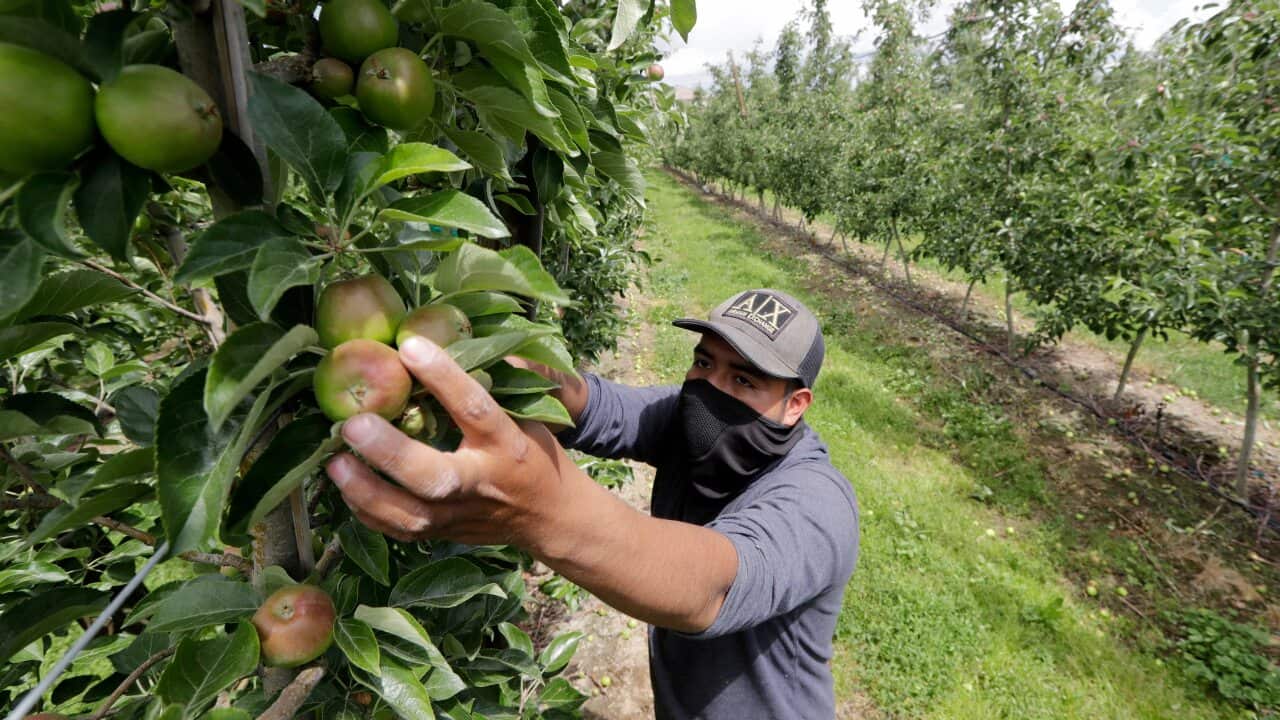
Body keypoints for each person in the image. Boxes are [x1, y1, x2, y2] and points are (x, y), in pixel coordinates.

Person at [325, 288, 861, 719]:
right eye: (703, 362)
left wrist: (540, 514)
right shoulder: (686, 419)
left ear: (795, 405)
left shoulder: (818, 502)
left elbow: (710, 587)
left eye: (743, 379)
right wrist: (502, 360)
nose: (709, 388)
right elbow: (595, 405)